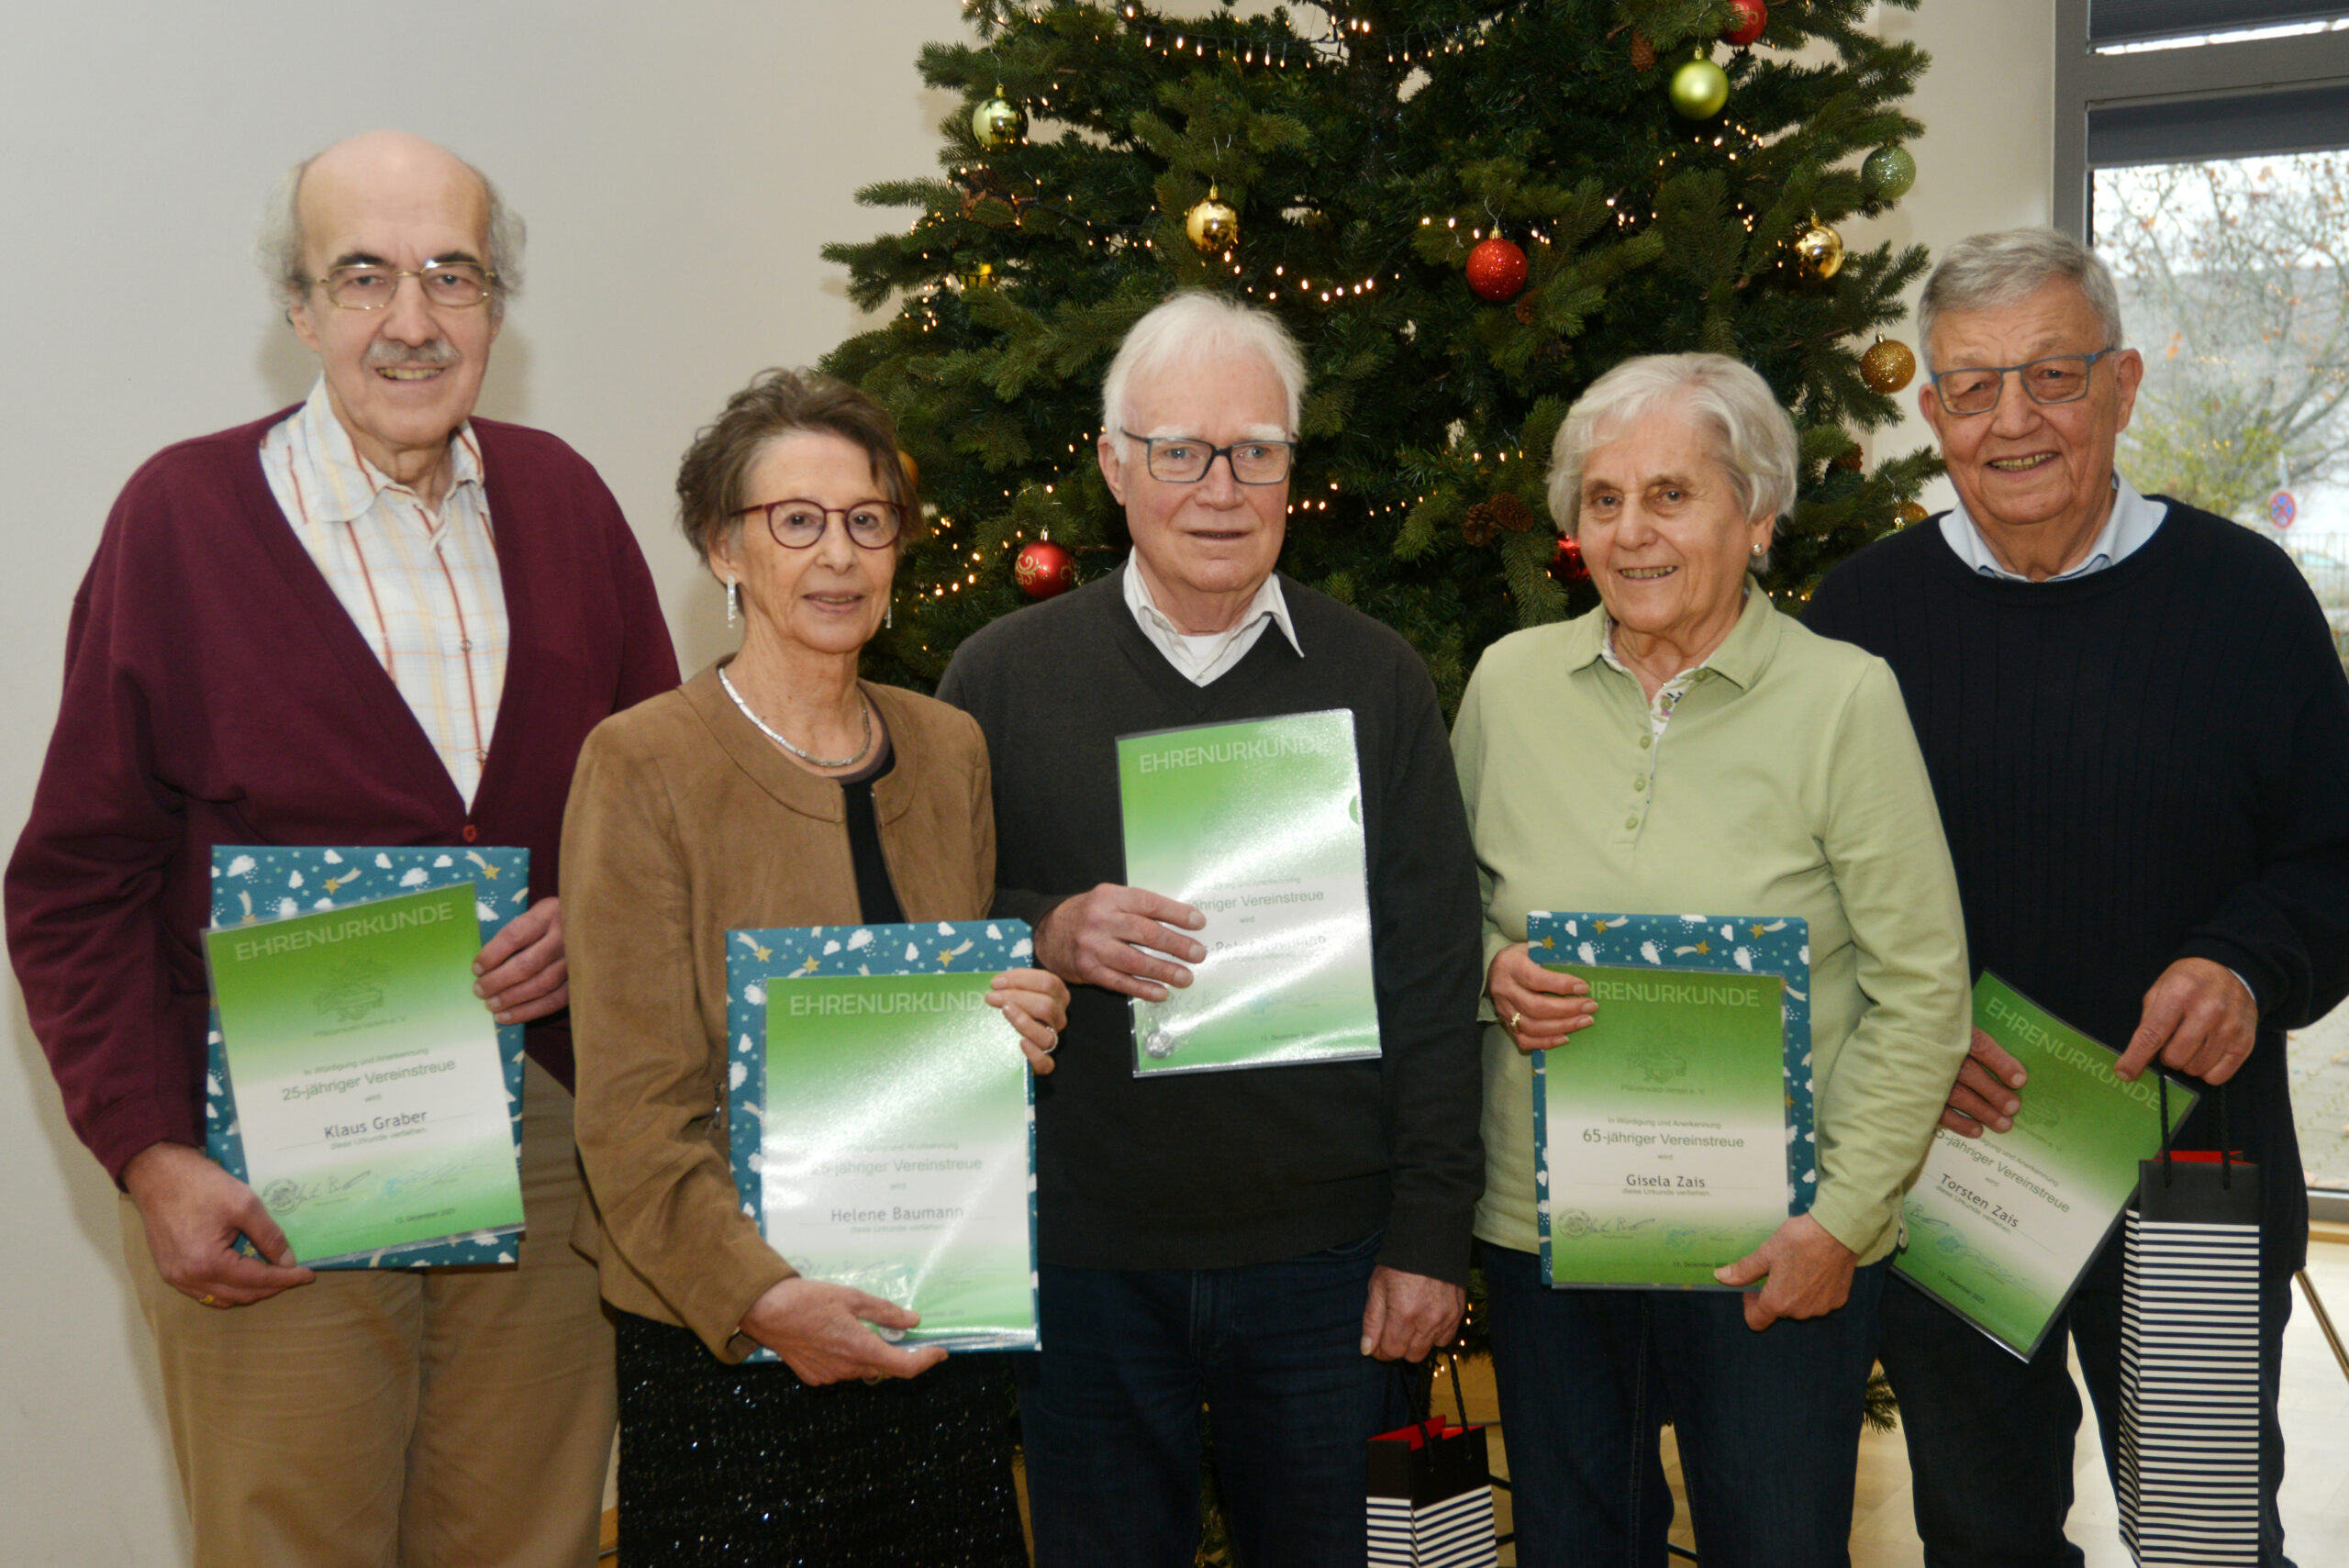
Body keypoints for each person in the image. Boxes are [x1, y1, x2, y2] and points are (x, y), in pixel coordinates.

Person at [5, 130, 678, 1567]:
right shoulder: (181, 521)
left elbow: (654, 811)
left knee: (530, 1537)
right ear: (299, 309)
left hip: (548, 1132)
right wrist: (149, 1151)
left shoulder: (566, 504)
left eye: (453, 274)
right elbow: (75, 880)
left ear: (497, 306)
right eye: (363, 276)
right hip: (271, 1152)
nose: (411, 319)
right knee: (291, 1538)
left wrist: (593, 913)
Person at [1806, 227, 2349, 1568]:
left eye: (2052, 374)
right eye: (1973, 385)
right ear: (1933, 411)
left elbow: (2336, 856)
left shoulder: (2247, 599)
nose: (2014, 420)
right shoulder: (1856, 621)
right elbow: (1796, 893)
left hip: (2192, 1180)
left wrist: (2248, 965)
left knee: (2208, 1540)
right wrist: (1895, 1047)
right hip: (1953, 1177)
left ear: (2123, 383)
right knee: (1982, 1538)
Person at [931, 290, 1485, 1568]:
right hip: (1084, 1260)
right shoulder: (1000, 677)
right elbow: (931, 929)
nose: (1221, 489)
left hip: (1328, 1262)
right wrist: (1046, 930)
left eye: (1256, 451)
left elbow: (1434, 966)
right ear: (1114, 465)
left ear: (1294, 467)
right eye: (1180, 450)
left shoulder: (1376, 677)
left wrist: (1428, 1233)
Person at [1453, 351, 1973, 1567]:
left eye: (1672, 495)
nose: (1631, 532)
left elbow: (1921, 988)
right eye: (1604, 498)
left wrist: (1841, 1220)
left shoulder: (1845, 700)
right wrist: (1490, 969)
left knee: (1775, 1544)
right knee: (1575, 1545)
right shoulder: (1510, 684)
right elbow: (1441, 909)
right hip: (1547, 1232)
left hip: (1776, 1241)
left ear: (1759, 514)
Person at [560, 367, 1069, 1567]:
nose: (837, 554)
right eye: (795, 520)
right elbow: (630, 1115)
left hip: (933, 1319)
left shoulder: (948, 747)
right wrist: (765, 1300)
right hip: (730, 1347)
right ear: (721, 547)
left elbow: (948, 1033)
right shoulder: (642, 764)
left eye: (867, 519)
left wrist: (1015, 1020)